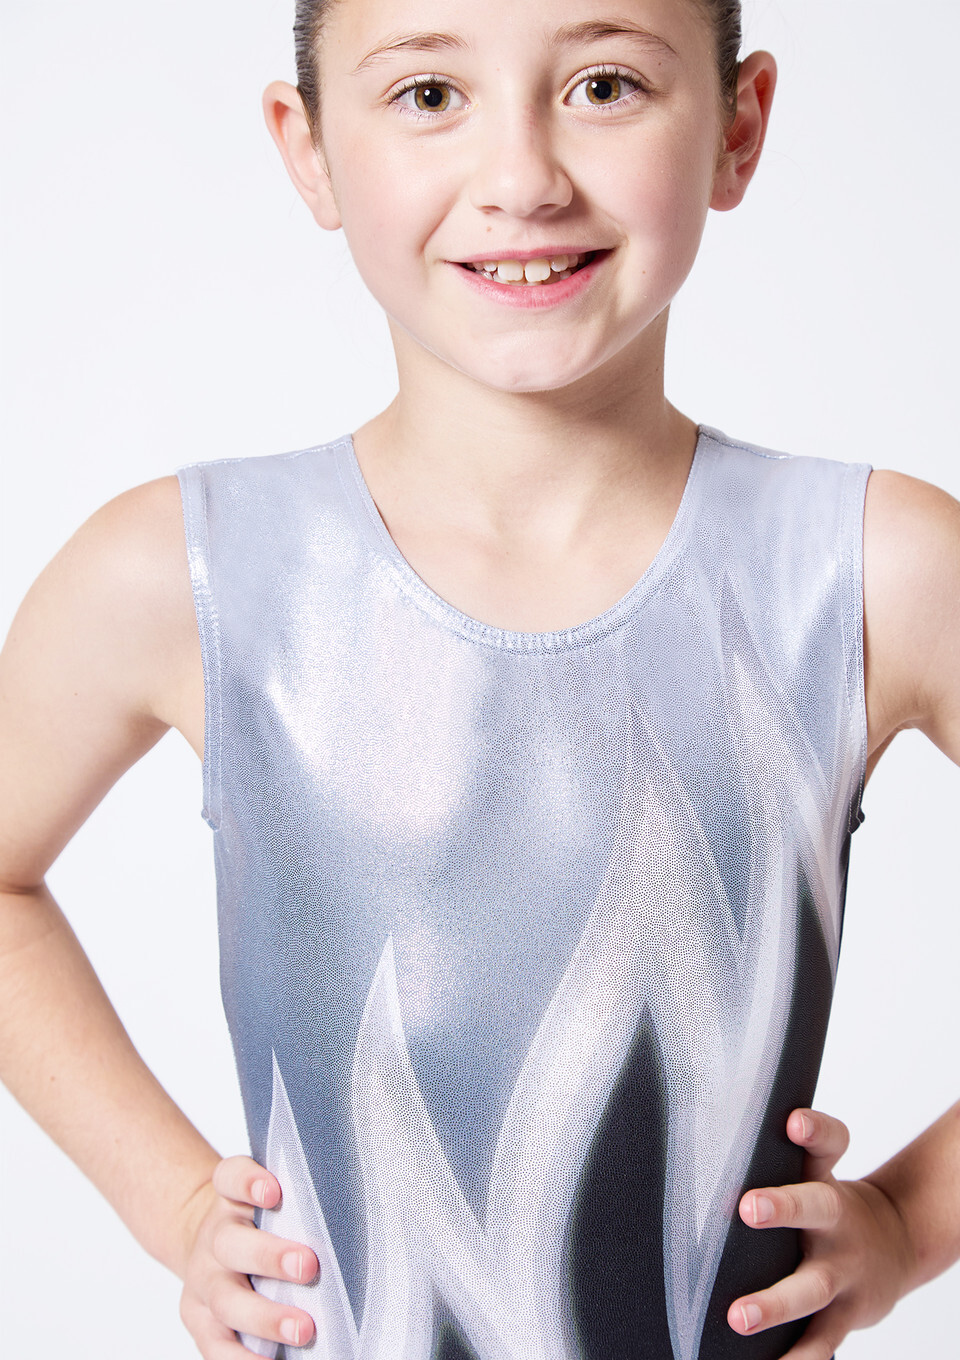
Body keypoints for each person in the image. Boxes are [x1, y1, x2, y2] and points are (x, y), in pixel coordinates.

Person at [1, 1, 958, 1358]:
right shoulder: (184, 571)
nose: (522, 179)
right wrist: (172, 1201)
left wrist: (914, 1221)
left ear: (738, 129)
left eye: (605, 85)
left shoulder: (870, 571)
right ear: (309, 148)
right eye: (430, 95)